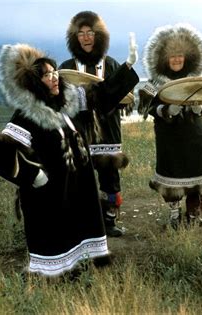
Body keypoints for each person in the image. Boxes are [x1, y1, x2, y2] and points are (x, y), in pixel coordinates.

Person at [0, 43, 138, 278]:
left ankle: (77, 272)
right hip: (50, 194)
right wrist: (35, 177)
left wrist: (127, 66)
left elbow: (101, 95)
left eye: (54, 72)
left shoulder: (68, 103)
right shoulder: (28, 115)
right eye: (46, 75)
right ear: (35, 83)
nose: (54, 77)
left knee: (78, 232)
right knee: (56, 238)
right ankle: (54, 280)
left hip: (78, 187)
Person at [60, 11, 138, 237]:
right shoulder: (67, 66)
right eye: (81, 33)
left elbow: (123, 98)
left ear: (99, 36)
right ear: (75, 37)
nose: (85, 37)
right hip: (78, 128)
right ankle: (83, 221)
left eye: (90, 32)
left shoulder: (111, 64)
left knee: (109, 176)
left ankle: (109, 220)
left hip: (108, 128)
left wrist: (128, 66)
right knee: (78, 175)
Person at [137, 23, 202, 229]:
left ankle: (194, 214)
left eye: (180, 55)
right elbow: (143, 109)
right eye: (172, 55)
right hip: (169, 138)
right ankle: (174, 213)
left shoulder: (196, 80)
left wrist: (200, 108)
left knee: (197, 176)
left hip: (195, 135)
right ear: (164, 57)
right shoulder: (153, 83)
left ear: (187, 57)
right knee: (171, 176)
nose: (176, 59)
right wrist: (165, 110)